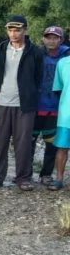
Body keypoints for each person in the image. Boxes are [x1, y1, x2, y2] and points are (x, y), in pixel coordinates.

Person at [0, 16, 44, 191]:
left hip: (24, 105)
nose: (13, 33)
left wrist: (29, 95)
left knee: (23, 143)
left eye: (17, 30)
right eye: (10, 30)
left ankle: (23, 178)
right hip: (2, 102)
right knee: (0, 143)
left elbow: (38, 77)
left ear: (25, 30)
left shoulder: (34, 51)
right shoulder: (1, 49)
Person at [31, 26, 70, 185]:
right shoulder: (36, 54)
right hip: (35, 106)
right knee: (29, 141)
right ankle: (25, 173)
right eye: (48, 37)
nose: (51, 41)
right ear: (43, 39)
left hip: (56, 108)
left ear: (61, 40)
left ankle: (46, 174)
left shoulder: (66, 56)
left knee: (52, 144)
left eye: (55, 38)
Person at [48, 53, 70, 191]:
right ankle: (59, 179)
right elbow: (59, 88)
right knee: (62, 148)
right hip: (66, 114)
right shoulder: (63, 63)